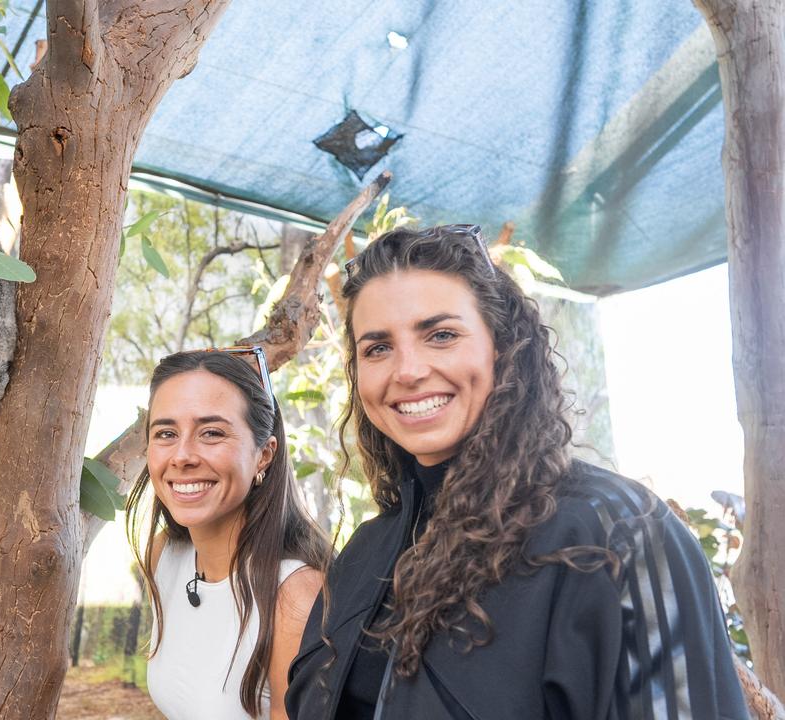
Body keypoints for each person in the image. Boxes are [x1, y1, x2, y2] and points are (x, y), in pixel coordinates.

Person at [285, 225, 749, 720]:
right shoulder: (366, 550)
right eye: (377, 348)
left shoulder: (618, 533)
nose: (408, 370)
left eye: (440, 335)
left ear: (504, 346)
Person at [127, 348, 332, 719]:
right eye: (166, 432)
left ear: (264, 455)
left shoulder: (295, 598)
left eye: (212, 433)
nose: (182, 455)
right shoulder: (165, 556)